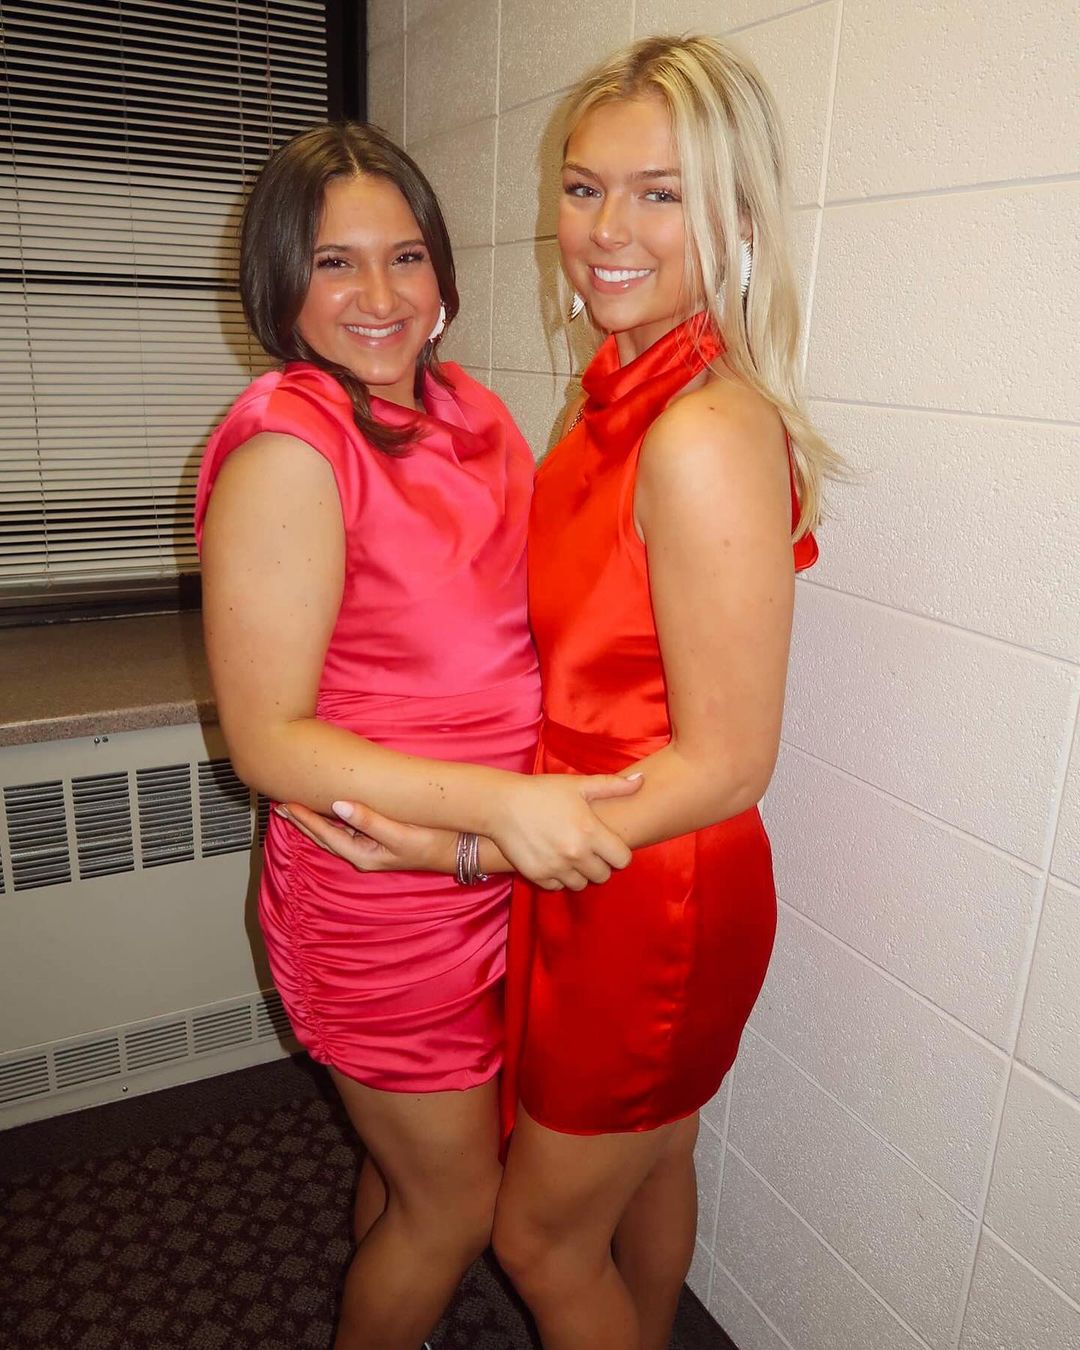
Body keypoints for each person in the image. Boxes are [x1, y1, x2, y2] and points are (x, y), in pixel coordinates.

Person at [284, 32, 840, 1350]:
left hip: (652, 882)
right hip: (595, 852)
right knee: (655, 1154)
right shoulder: (614, 398)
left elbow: (730, 760)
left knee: (538, 1236)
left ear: (738, 218)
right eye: (585, 188)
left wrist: (467, 846)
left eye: (660, 193)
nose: (606, 230)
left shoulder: (699, 429)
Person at [193, 122, 642, 1350]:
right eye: (334, 263)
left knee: (416, 1175)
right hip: (379, 895)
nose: (380, 296)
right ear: (280, 281)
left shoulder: (470, 411)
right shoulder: (291, 447)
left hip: (485, 871)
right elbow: (267, 744)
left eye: (405, 257)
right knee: (454, 1208)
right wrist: (503, 806)